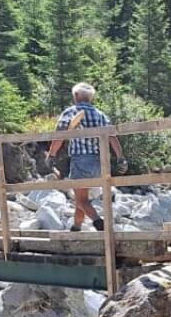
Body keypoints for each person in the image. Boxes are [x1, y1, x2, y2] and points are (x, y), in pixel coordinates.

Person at [47, 82, 125, 231]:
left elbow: (60, 136)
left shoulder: (71, 112)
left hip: (80, 161)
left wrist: (51, 154)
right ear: (90, 98)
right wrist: (121, 157)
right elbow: (112, 137)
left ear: (76, 96)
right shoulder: (100, 114)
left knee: (81, 200)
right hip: (99, 163)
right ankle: (76, 227)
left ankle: (98, 223)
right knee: (82, 199)